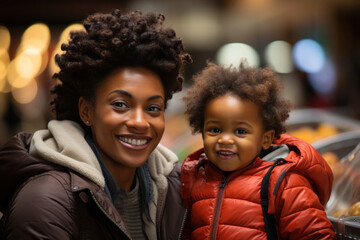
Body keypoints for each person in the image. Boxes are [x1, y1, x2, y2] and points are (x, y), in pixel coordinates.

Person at [0, 9, 192, 239]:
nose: (140, 122)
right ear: (86, 110)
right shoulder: (44, 202)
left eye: (153, 108)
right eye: (120, 104)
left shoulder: (176, 191)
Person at [180, 62, 335, 239]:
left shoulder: (285, 184)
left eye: (240, 131)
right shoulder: (196, 179)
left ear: (266, 139)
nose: (225, 139)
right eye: (215, 130)